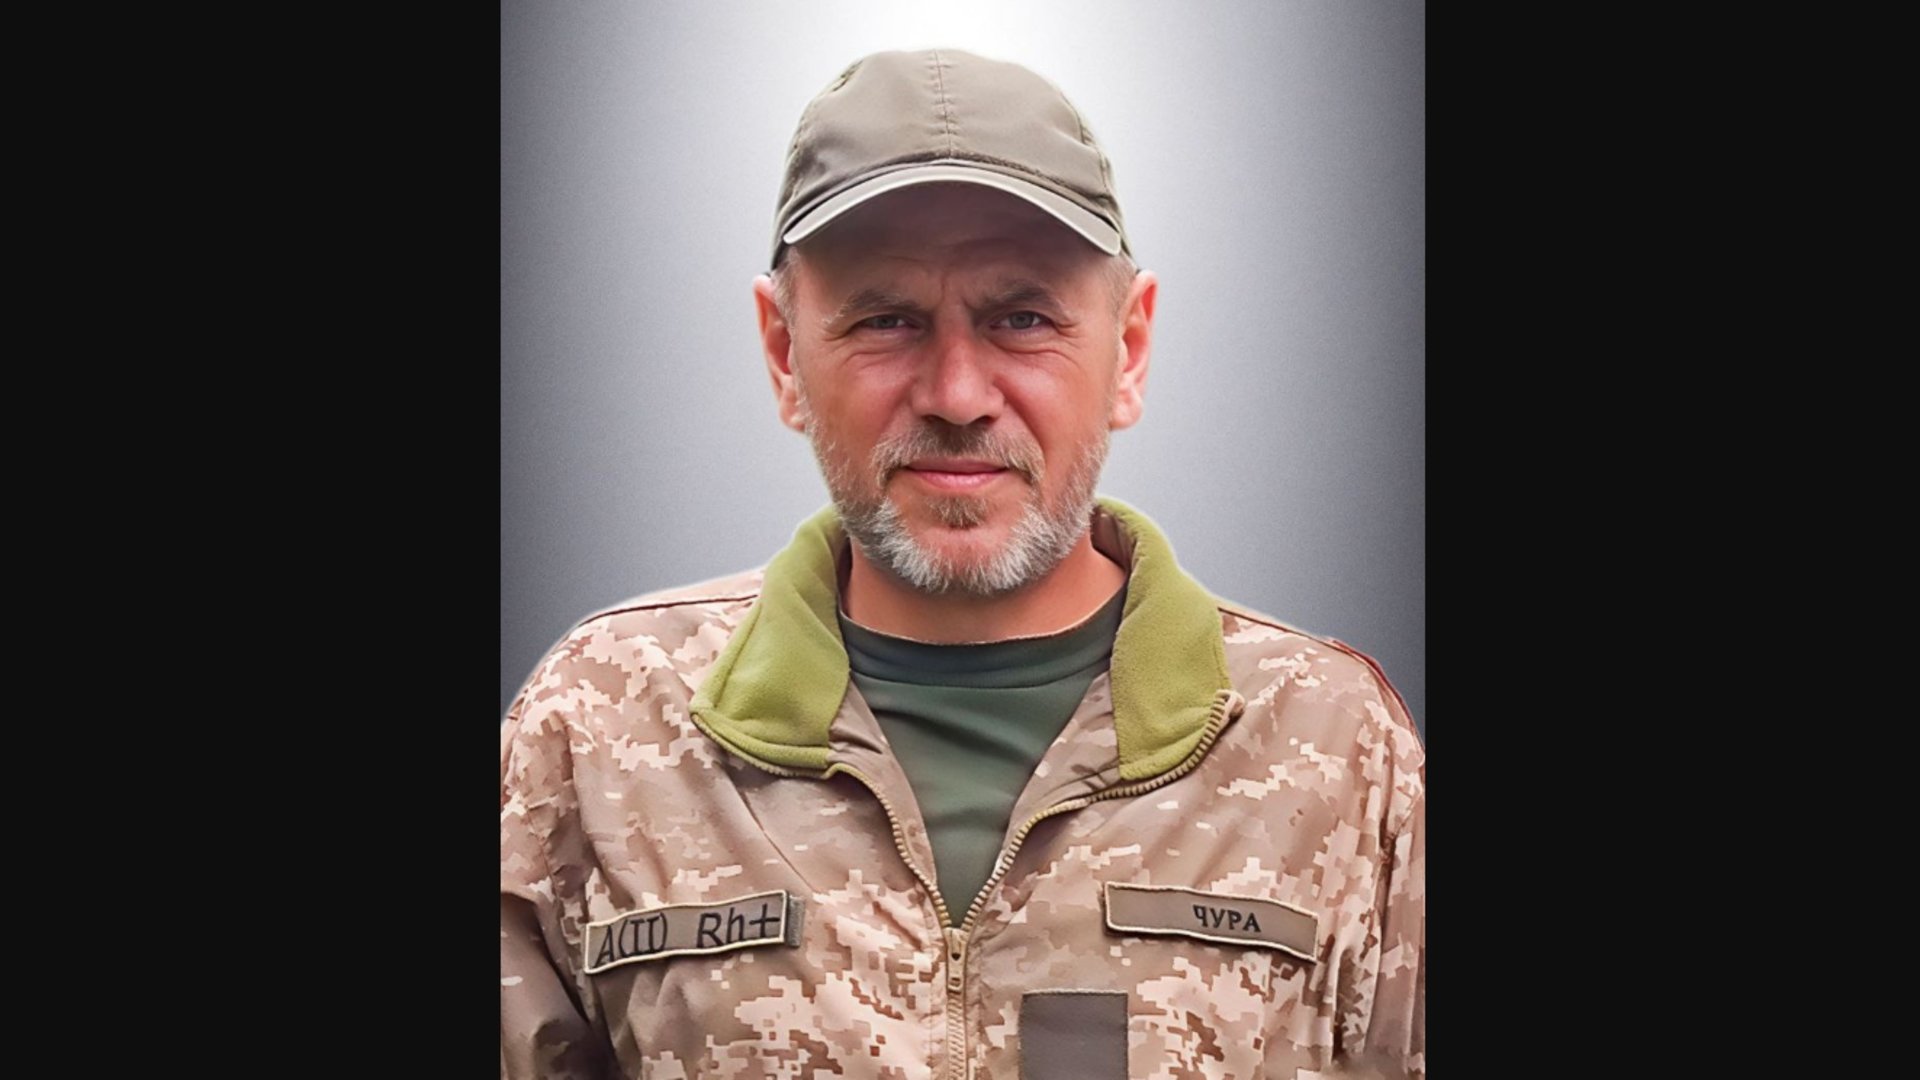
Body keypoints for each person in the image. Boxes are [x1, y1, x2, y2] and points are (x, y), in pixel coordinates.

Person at [501, 47, 1424, 1079]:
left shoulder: (1335, 747)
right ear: (784, 353)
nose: (956, 394)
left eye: (1021, 318)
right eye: (886, 319)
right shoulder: (600, 729)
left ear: (1128, 348)